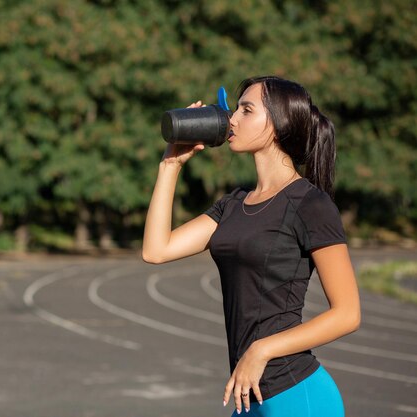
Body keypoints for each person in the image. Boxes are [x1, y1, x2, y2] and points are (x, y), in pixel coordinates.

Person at [142, 76, 361, 417]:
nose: (231, 119)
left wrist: (260, 350)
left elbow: (347, 314)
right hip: (251, 395)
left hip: (296, 394)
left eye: (246, 110)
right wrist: (170, 165)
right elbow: (156, 250)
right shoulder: (234, 204)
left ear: (278, 124)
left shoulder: (309, 204)